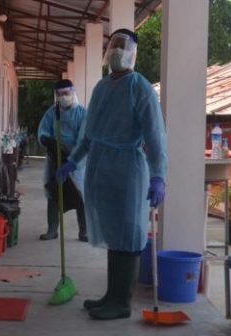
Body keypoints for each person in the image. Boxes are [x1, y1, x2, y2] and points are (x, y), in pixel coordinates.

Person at [56, 29, 167, 320]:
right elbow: (89, 133)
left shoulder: (140, 88)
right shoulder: (101, 88)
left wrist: (159, 175)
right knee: (114, 233)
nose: (117, 50)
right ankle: (111, 294)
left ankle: (122, 303)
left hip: (129, 170)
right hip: (101, 167)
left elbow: (155, 136)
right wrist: (73, 161)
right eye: (113, 44)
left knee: (128, 234)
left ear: (133, 53)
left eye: (123, 45)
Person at [37, 79, 88, 242]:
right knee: (53, 194)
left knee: (80, 197)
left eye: (66, 93)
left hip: (75, 163)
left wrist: (73, 159)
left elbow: (84, 139)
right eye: (59, 94)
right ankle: (52, 229)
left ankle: (84, 231)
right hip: (55, 160)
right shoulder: (52, 113)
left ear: (72, 93)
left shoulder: (82, 113)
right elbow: (42, 131)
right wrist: (46, 140)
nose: (63, 97)